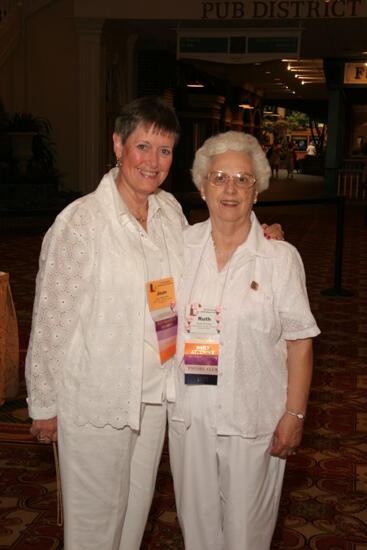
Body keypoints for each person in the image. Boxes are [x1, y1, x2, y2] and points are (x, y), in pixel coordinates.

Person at [25, 97, 283, 550]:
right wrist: (43, 404)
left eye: (164, 151)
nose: (153, 161)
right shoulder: (81, 222)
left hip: (156, 400)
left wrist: (257, 237)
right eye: (143, 147)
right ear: (118, 145)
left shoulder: (168, 214)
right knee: (93, 533)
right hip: (98, 404)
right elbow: (51, 319)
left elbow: (208, 257)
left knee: (130, 527)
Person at [168, 130, 320, 550]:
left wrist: (296, 414)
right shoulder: (178, 247)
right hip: (191, 415)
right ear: (202, 187)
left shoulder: (279, 257)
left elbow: (300, 342)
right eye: (219, 177)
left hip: (253, 421)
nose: (230, 189)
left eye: (243, 180)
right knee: (196, 533)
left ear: (258, 191)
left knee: (246, 538)